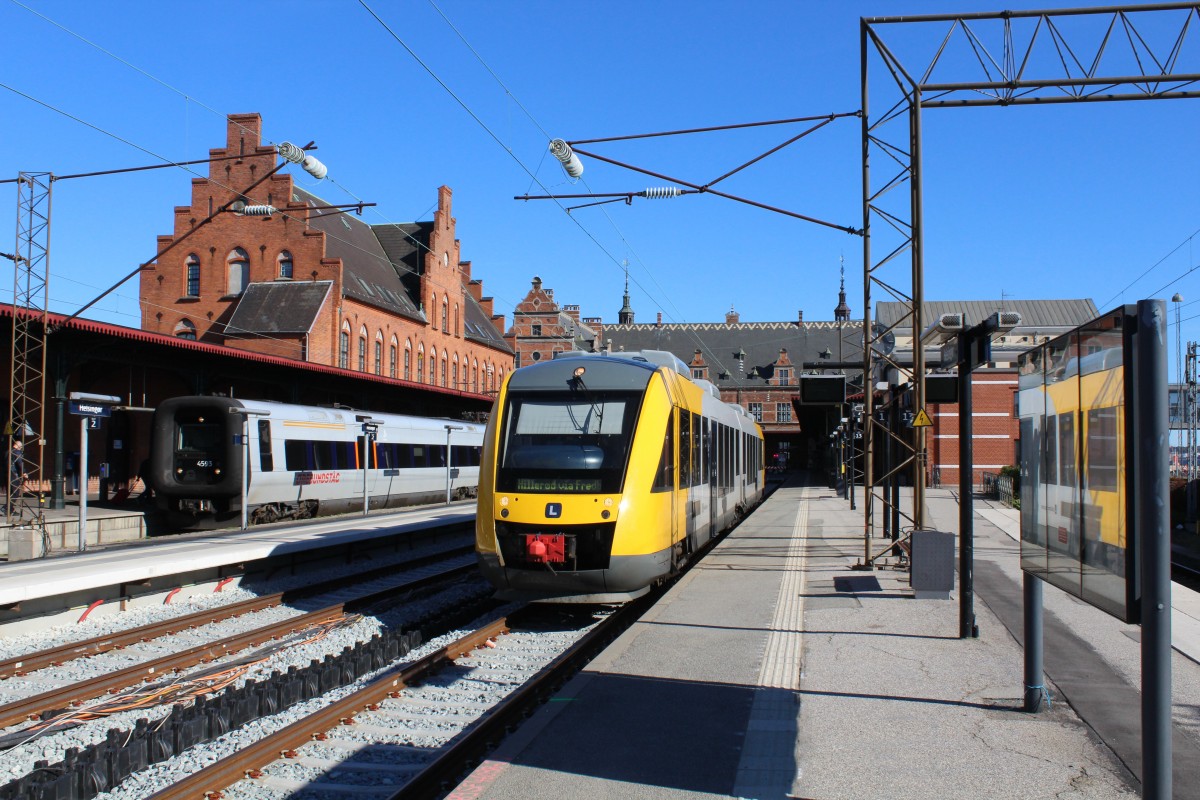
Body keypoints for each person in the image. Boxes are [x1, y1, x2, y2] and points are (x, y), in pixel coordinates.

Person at [6, 438, 24, 510]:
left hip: (6, 473)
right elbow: (20, 462)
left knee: (10, 492)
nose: (21, 448)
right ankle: (6, 508)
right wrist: (24, 472)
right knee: (15, 492)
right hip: (13, 474)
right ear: (18, 446)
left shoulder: (7, 452)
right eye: (21, 447)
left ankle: (10, 509)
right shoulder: (16, 452)